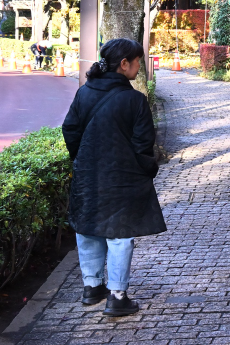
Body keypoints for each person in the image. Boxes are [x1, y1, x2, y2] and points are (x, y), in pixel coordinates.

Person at [61, 38, 166, 317]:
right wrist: (145, 171)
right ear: (124, 64)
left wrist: (82, 159)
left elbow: (70, 129)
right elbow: (144, 145)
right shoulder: (134, 100)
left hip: (88, 174)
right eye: (137, 62)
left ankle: (91, 287)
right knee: (119, 235)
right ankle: (117, 296)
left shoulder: (84, 93)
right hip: (123, 177)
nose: (139, 67)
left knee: (88, 229)